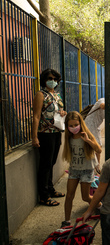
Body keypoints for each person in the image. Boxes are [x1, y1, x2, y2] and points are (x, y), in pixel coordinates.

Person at [32, 68, 67, 206]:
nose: (52, 81)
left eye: (54, 79)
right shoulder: (41, 95)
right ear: (44, 80)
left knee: (51, 162)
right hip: (45, 134)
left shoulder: (57, 95)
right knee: (45, 165)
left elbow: (57, 111)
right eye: (49, 79)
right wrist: (34, 137)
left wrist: (63, 112)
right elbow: (36, 116)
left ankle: (50, 189)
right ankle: (44, 195)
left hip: (56, 132)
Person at [61, 111, 102, 227]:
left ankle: (101, 206)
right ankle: (66, 221)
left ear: (80, 123)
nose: (74, 128)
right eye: (71, 126)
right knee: (69, 196)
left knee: (85, 197)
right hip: (74, 170)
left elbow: (99, 150)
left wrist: (88, 141)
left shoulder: (87, 134)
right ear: (67, 126)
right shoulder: (69, 137)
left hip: (87, 170)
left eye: (76, 125)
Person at [84, 98, 105, 170]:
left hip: (96, 127)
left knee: (97, 147)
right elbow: (102, 106)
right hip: (90, 126)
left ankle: (96, 166)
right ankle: (96, 167)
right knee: (97, 147)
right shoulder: (102, 100)